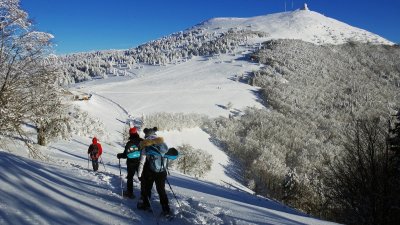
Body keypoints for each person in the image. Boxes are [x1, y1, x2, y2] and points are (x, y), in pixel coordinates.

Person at [137, 127, 171, 215]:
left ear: (146, 136)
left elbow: (142, 161)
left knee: (147, 188)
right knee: (161, 190)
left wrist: (139, 174)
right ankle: (166, 209)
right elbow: (165, 158)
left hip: (150, 171)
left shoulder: (146, 145)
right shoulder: (162, 144)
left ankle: (146, 205)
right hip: (162, 171)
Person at [117, 127, 143, 199]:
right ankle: (144, 194)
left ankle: (130, 193)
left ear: (130, 134)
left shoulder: (129, 143)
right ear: (136, 133)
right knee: (141, 177)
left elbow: (125, 155)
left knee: (130, 177)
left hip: (131, 162)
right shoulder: (141, 141)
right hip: (140, 162)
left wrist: (119, 155)